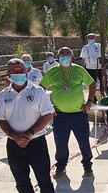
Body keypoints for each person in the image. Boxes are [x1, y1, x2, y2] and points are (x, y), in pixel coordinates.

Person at [0, 59, 59, 193]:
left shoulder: (38, 91)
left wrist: (29, 134)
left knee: (44, 179)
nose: (18, 72)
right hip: (14, 144)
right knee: (21, 180)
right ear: (8, 74)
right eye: (14, 70)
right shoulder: (4, 95)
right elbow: (0, 119)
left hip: (36, 142)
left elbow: (47, 115)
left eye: (21, 69)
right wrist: (15, 136)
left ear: (26, 71)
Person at [40, 47, 97, 178]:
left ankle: (87, 165)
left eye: (67, 53)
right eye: (62, 53)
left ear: (72, 57)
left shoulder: (78, 70)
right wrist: (48, 107)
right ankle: (61, 166)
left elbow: (92, 84)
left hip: (79, 114)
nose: (64, 55)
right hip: (60, 115)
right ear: (57, 57)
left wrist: (89, 101)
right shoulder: (52, 72)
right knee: (61, 143)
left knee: (83, 142)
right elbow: (41, 89)